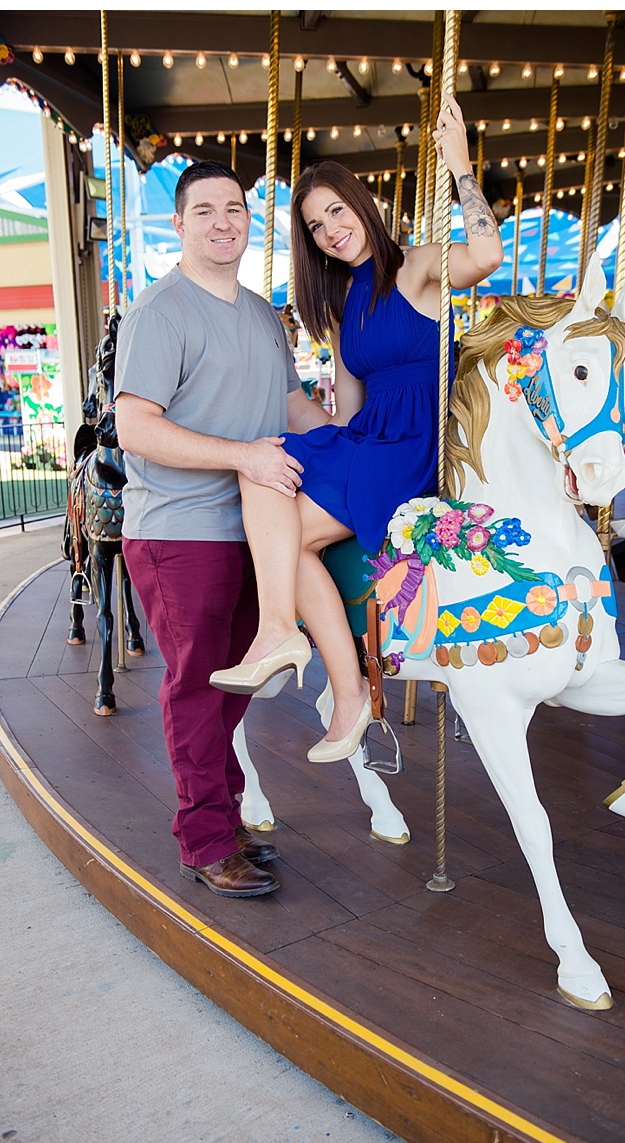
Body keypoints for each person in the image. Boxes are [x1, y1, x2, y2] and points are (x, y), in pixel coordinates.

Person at [210, 91, 503, 762]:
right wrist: (324, 445)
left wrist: (458, 164)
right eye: (314, 226)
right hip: (370, 439)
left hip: (416, 445)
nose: (330, 230)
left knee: (288, 534)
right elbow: (346, 401)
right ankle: (303, 649)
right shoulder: (343, 303)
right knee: (263, 467)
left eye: (335, 212)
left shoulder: (421, 267)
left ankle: (319, 667)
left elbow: (485, 255)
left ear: (360, 205)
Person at [114, 159, 308, 899]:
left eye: (235, 208)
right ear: (180, 223)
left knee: (235, 683)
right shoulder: (159, 311)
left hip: (260, 530)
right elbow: (135, 426)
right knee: (198, 686)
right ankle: (205, 839)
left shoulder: (262, 313)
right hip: (181, 527)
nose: (223, 221)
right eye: (205, 211)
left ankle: (221, 815)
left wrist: (367, 447)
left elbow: (293, 411)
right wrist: (243, 459)